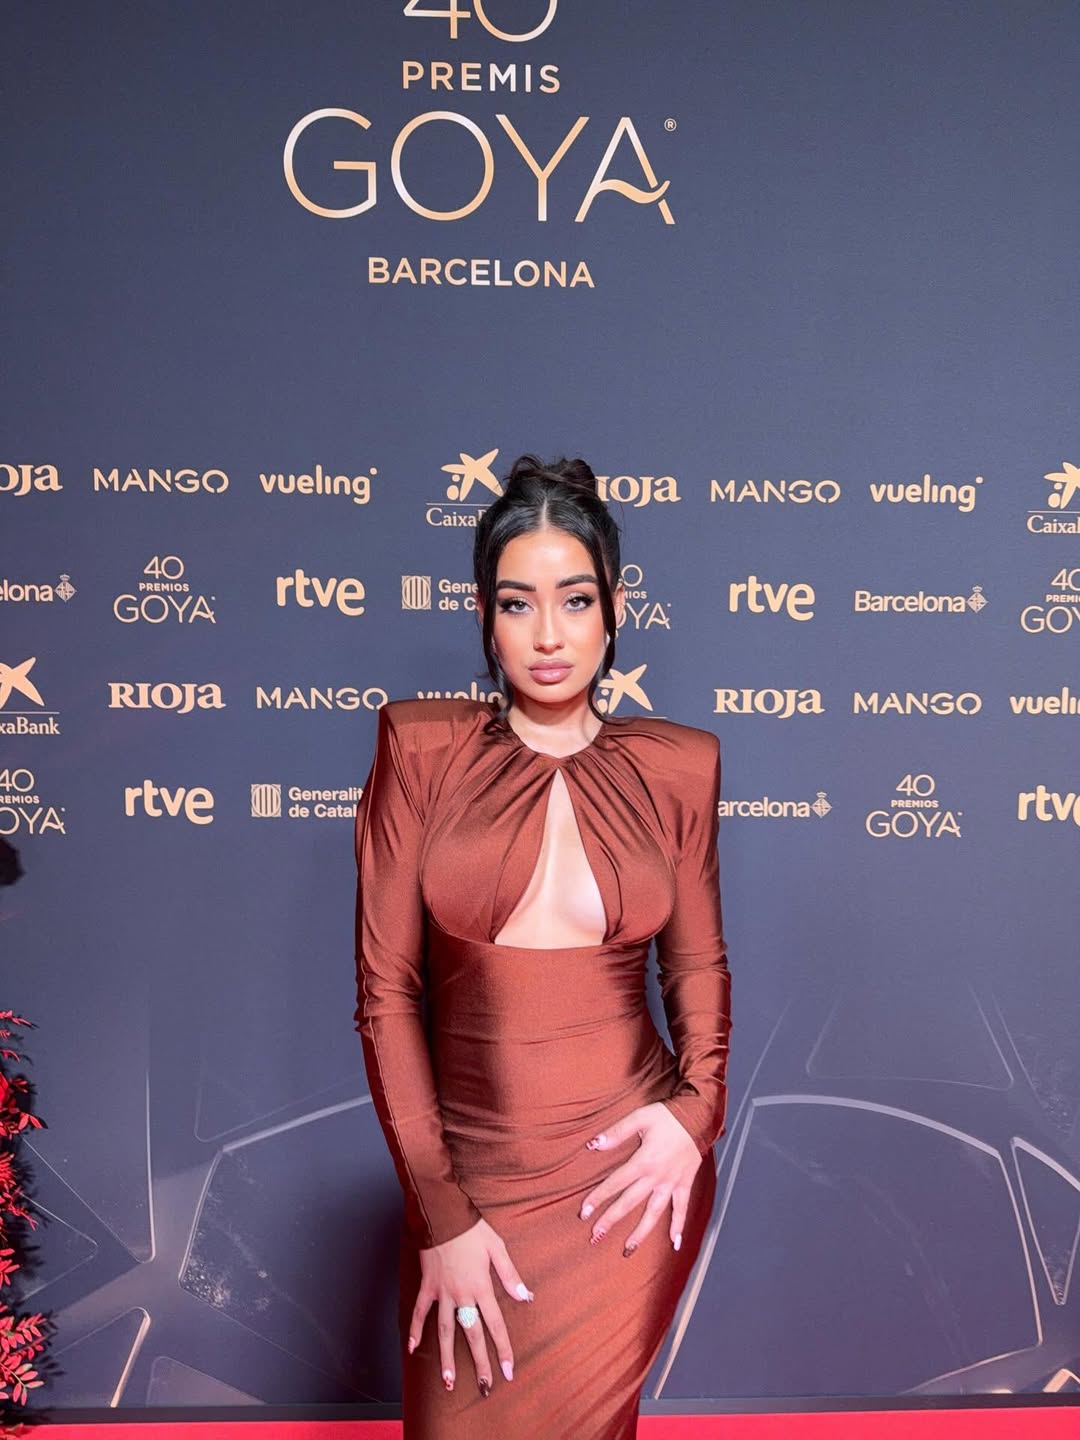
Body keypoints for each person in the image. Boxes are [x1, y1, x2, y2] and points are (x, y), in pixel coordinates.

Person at [353, 453, 732, 1438]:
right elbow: (386, 993)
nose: (550, 634)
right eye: (519, 604)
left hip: (625, 1185)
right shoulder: (421, 749)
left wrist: (695, 1116)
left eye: (576, 600)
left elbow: (696, 964)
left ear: (614, 608)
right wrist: (440, 1212)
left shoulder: (679, 766)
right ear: (486, 615)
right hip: (467, 1174)